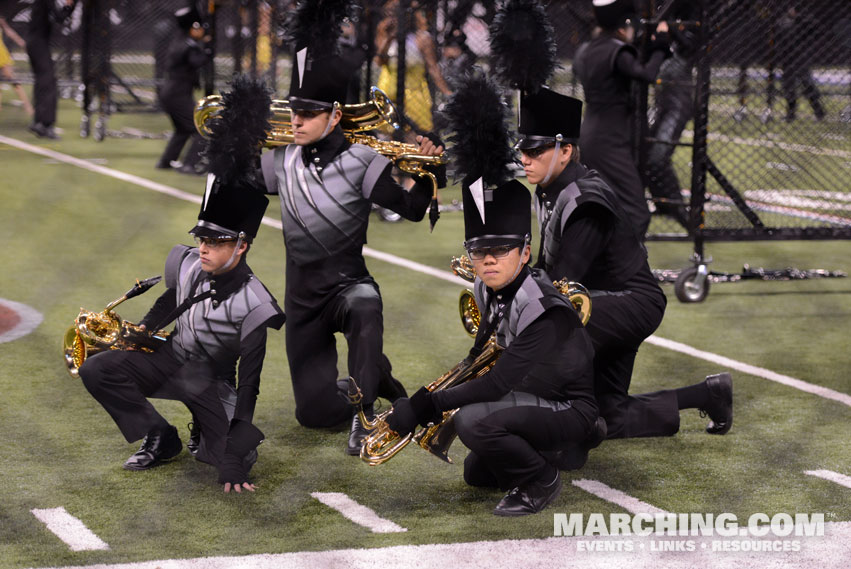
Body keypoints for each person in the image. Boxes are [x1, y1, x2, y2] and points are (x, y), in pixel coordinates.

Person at [384, 87, 602, 514]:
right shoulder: (488, 288)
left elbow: (499, 383)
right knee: (476, 473)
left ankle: (543, 480)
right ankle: (553, 452)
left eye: (500, 251)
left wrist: (426, 403)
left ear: (524, 252)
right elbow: (481, 358)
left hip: (568, 406)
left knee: (472, 420)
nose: (487, 260)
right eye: (479, 251)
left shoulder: (542, 306)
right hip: (534, 396)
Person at [78, 77, 285, 493]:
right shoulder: (192, 262)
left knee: (232, 456)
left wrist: (233, 456)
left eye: (215, 242)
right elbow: (172, 295)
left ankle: (207, 435)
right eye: (202, 239)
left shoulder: (256, 303)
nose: (203, 249)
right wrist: (144, 329)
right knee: (98, 368)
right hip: (173, 361)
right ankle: (161, 435)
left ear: (242, 246)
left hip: (214, 381)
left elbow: (251, 381)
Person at [258, 30, 446, 454]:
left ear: (336, 115)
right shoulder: (280, 161)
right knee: (313, 415)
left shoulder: (364, 161)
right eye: (294, 112)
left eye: (308, 113)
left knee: (365, 304)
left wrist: (431, 172)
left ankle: (365, 418)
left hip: (347, 286)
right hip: (302, 300)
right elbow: (240, 189)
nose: (297, 121)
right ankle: (377, 378)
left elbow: (412, 209)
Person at [516, 85, 733, 440]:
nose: (525, 158)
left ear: (566, 151)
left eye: (535, 150)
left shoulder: (586, 201)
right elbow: (549, 266)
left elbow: (562, 281)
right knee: (609, 414)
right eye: (522, 150)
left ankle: (544, 426)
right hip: (604, 300)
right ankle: (709, 394)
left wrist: (514, 291)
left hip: (629, 302)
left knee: (550, 329)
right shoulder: (549, 189)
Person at [573, 0, 671, 238]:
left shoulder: (587, 50)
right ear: (621, 25)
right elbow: (645, 74)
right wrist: (660, 48)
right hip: (610, 141)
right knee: (637, 213)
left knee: (604, 207)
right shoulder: (618, 51)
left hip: (590, 134)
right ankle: (618, 268)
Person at [645, 1, 701, 230]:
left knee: (658, 156)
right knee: (645, 154)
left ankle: (680, 211)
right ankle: (664, 203)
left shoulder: (693, 21)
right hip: (661, 103)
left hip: (679, 104)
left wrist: (670, 28)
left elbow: (691, 47)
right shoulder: (664, 16)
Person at [374, 0, 452, 136]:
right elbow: (379, 61)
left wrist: (448, 93)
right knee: (386, 141)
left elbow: (433, 68)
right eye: (391, 14)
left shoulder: (422, 39)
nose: (394, 18)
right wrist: (390, 37)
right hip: (388, 95)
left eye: (397, 14)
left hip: (414, 97)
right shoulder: (383, 30)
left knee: (417, 139)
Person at [155, 6, 210, 174]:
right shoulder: (187, 45)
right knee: (201, 127)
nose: (201, 30)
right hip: (176, 94)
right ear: (192, 28)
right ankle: (190, 164)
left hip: (172, 93)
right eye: (199, 27)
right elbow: (197, 61)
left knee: (183, 129)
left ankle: (166, 161)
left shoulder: (180, 41)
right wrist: (208, 50)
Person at [25, 0, 77, 139]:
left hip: (36, 42)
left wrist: (70, 6)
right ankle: (44, 124)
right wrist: (69, 5)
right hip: (37, 42)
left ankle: (39, 121)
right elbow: (58, 17)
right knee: (48, 81)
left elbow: (59, 17)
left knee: (43, 81)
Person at [777, 1, 825, 122]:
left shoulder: (804, 21)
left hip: (801, 58)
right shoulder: (783, 22)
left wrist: (799, 18)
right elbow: (780, 41)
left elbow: (815, 29)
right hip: (788, 59)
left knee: (807, 85)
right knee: (789, 88)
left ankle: (819, 112)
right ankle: (790, 115)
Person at [0, 17, 34, 117]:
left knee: (13, 81)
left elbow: (9, 31)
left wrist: (21, 43)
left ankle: (27, 105)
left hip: (1, 55)